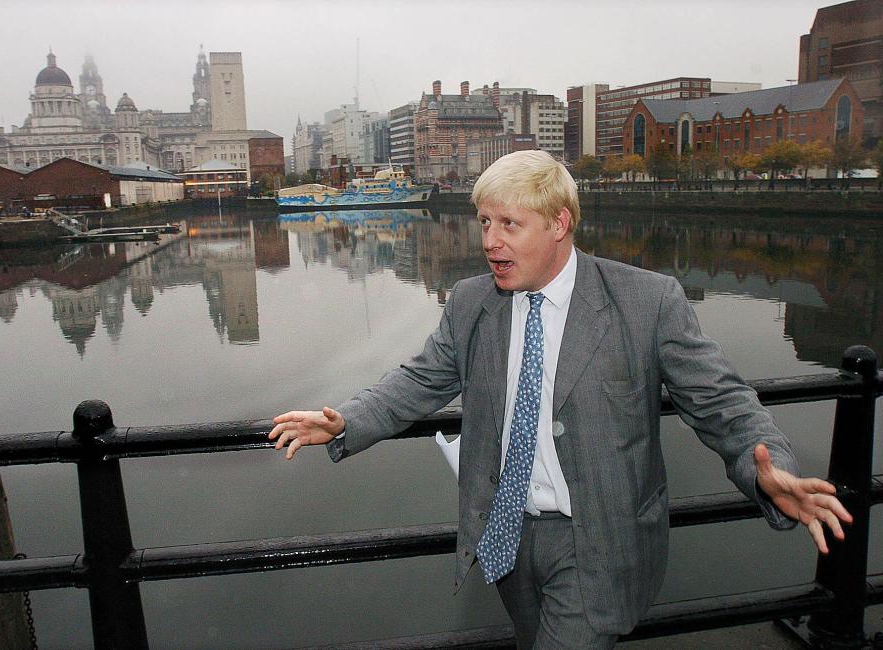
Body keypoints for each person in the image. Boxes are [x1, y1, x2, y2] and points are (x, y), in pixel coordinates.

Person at [269, 150, 851, 649]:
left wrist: (769, 465)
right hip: (506, 536)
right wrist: (343, 421)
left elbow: (721, 401)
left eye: (509, 225)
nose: (490, 242)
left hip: (596, 539)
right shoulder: (473, 302)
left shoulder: (646, 302)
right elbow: (421, 378)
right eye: (484, 222)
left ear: (559, 224)